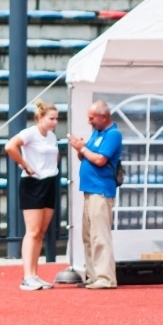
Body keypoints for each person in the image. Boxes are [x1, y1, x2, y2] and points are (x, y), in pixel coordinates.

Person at [4, 100, 60, 291]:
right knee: (33, 231)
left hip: (50, 181)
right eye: (51, 118)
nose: (55, 122)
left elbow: (54, 156)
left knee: (41, 232)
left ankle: (35, 274)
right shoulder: (30, 133)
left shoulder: (51, 136)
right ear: (40, 117)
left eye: (57, 119)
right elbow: (10, 146)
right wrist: (26, 165)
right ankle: (27, 276)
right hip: (33, 183)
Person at [67, 100, 122, 289]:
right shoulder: (97, 133)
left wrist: (82, 148)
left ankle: (106, 278)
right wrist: (81, 149)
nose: (90, 121)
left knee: (100, 236)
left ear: (103, 116)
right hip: (91, 190)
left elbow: (99, 159)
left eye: (92, 118)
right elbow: (87, 155)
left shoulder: (113, 134)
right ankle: (93, 276)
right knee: (89, 236)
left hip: (101, 190)